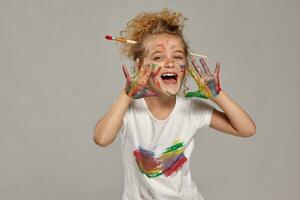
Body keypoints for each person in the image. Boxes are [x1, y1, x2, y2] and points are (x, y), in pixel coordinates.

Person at [93, 8, 256, 200]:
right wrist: (126, 95)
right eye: (158, 57)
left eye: (177, 57)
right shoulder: (128, 110)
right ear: (140, 67)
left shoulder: (191, 109)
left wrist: (217, 96)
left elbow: (247, 129)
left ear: (185, 66)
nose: (170, 63)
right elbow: (102, 138)